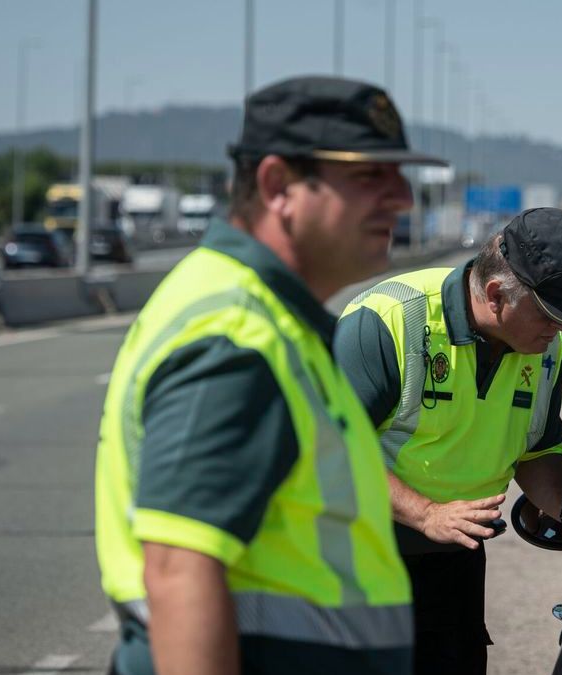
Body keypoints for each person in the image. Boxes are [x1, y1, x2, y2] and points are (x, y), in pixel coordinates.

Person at [94, 76, 447, 675]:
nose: (402, 198)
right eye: (369, 176)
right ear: (278, 185)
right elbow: (181, 568)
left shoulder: (277, 323)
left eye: (398, 174)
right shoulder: (238, 337)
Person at [335, 207, 562, 674]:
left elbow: (536, 450)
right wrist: (426, 514)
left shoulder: (544, 352)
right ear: (496, 294)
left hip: (453, 560)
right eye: (548, 314)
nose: (558, 330)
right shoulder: (390, 320)